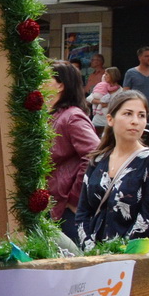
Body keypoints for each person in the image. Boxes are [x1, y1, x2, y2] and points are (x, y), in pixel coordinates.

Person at [72, 90, 149, 247]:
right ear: (110, 119)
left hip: (133, 258)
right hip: (95, 255)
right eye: (128, 114)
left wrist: (121, 253)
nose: (135, 121)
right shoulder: (97, 160)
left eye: (141, 115)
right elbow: (83, 211)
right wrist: (89, 247)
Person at [45, 60, 100, 232]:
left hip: (65, 211)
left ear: (61, 85)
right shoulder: (51, 115)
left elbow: (95, 154)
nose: (39, 81)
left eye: (46, 77)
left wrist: (75, 199)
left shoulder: (72, 117)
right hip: (50, 204)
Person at [122, 47, 149, 119]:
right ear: (140, 58)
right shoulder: (131, 73)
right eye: (146, 56)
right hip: (135, 111)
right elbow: (125, 92)